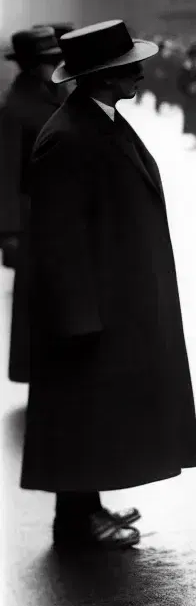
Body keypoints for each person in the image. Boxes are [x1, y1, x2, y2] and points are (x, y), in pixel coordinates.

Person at [22, 20, 196, 548]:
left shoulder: (96, 119)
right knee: (80, 413)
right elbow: (59, 238)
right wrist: (78, 317)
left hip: (111, 301)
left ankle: (89, 508)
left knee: (94, 415)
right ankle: (75, 522)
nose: (142, 72)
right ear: (103, 76)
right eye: (130, 65)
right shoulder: (69, 136)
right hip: (90, 307)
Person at [0, 27, 66, 383]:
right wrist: (8, 231)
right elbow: (7, 171)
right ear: (30, 66)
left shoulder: (52, 96)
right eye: (48, 61)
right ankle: (39, 371)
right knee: (36, 301)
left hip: (58, 217)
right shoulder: (16, 107)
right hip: (31, 218)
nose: (55, 66)